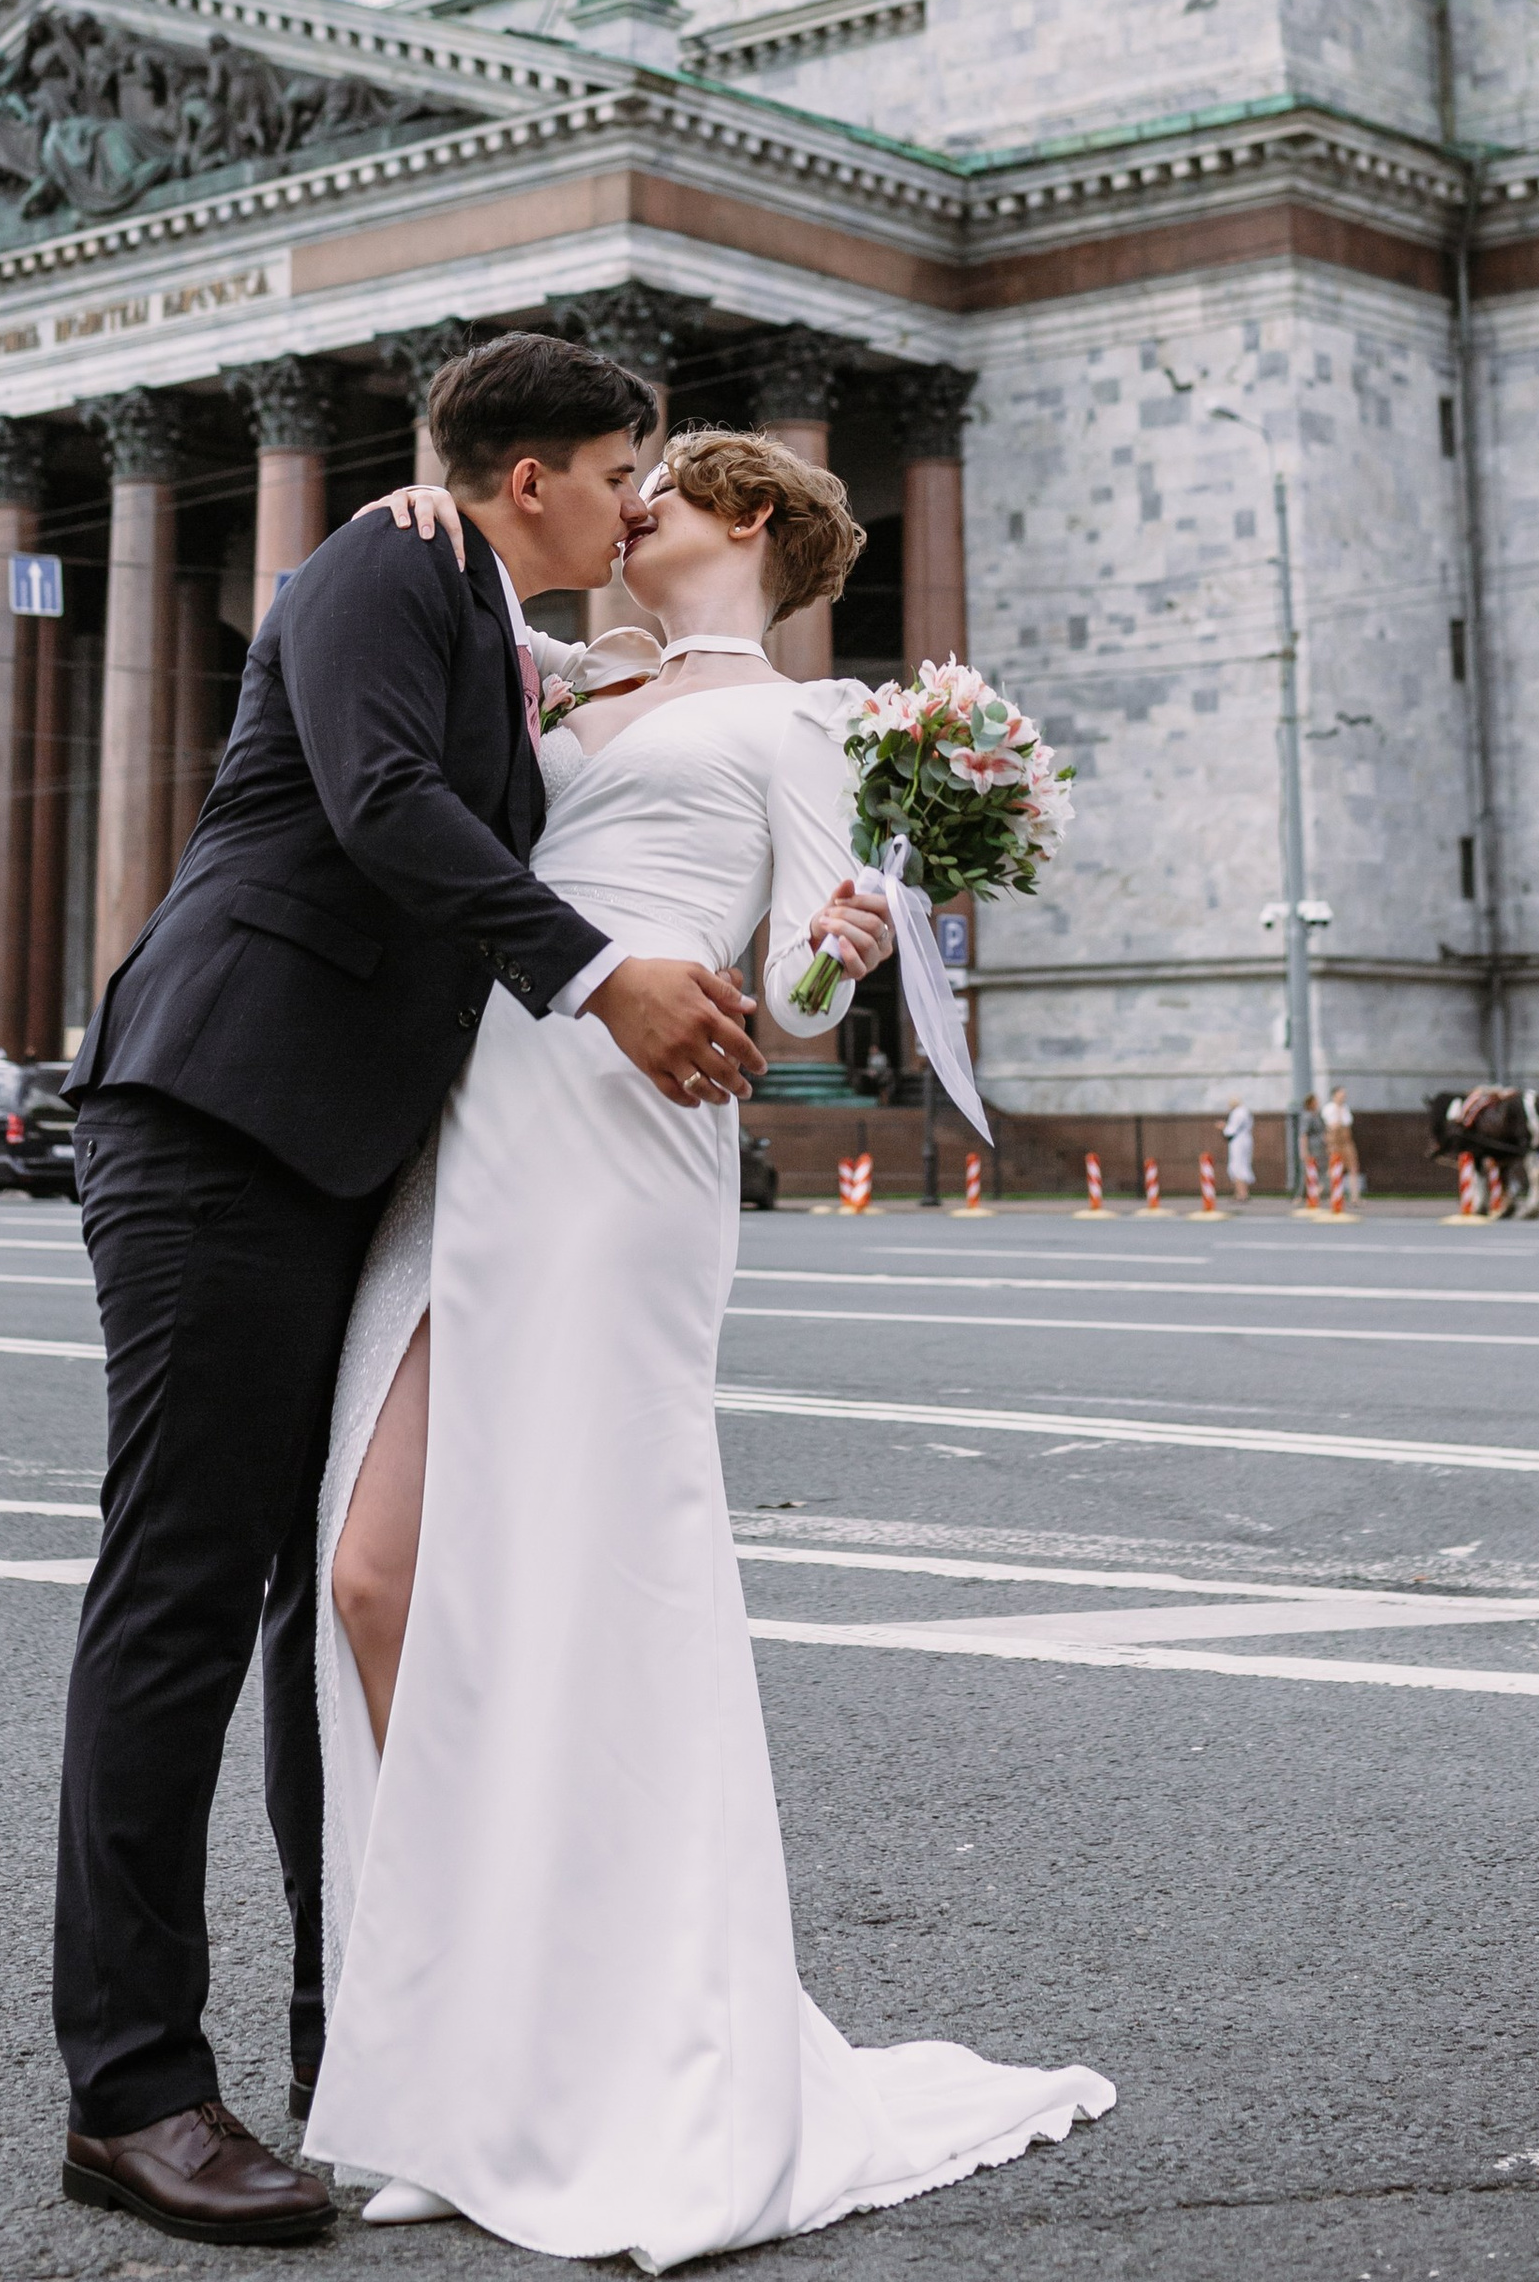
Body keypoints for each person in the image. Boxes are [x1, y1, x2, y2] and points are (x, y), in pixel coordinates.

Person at [309, 429, 1112, 2257]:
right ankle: (465, 2045)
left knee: (598, 1586)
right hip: (469, 1137)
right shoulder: (565, 683)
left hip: (617, 1148)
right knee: (380, 1575)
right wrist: (413, 522)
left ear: (748, 521)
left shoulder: (806, 723)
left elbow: (811, 998)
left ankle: (629, 2056)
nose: (628, 499)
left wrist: (841, 939)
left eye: (660, 480)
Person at [52, 336, 787, 2249]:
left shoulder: (472, 602)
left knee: (316, 1592)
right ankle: (131, 2092)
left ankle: (347, 2046)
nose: (644, 501)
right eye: (624, 466)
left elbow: (589, 731)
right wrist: (600, 976)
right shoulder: (383, 565)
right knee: (186, 1593)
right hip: (220, 1114)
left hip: (335, 1151)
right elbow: (384, 804)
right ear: (532, 475)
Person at [1223, 1093, 1255, 1204]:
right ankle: (1242, 1192)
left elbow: (1231, 1130)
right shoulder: (1245, 1111)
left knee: (1237, 1166)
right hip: (1246, 1140)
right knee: (1244, 1165)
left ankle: (1241, 1193)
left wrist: (1224, 1127)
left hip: (1238, 1142)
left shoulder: (1237, 1113)